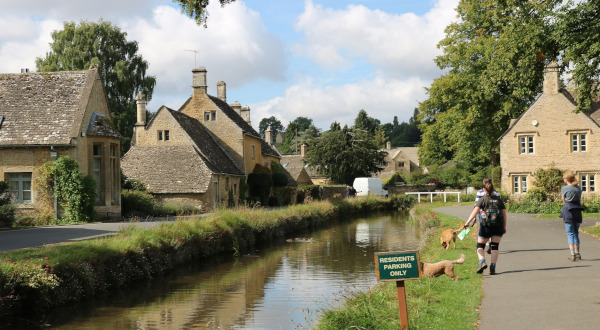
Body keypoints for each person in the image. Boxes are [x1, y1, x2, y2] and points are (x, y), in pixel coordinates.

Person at [464, 179, 507, 275]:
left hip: (486, 226)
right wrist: (504, 227)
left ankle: (482, 261)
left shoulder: (482, 200)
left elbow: (474, 212)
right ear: (493, 189)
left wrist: (467, 223)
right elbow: (504, 215)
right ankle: (493, 266)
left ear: (484, 190)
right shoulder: (499, 200)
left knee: (480, 246)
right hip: (498, 226)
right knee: (495, 247)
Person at [560, 171, 583, 261]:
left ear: (567, 179)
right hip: (577, 210)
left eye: (564, 178)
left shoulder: (564, 188)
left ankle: (572, 254)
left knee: (570, 233)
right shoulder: (579, 188)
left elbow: (564, 200)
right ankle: (578, 253)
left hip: (568, 211)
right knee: (576, 233)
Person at [474, 178, 500, 254]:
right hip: (494, 215)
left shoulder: (480, 192)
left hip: (483, 214)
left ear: (483, 184)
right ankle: (491, 243)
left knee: (484, 229)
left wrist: (474, 217)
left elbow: (476, 205)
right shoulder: (496, 192)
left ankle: (486, 244)